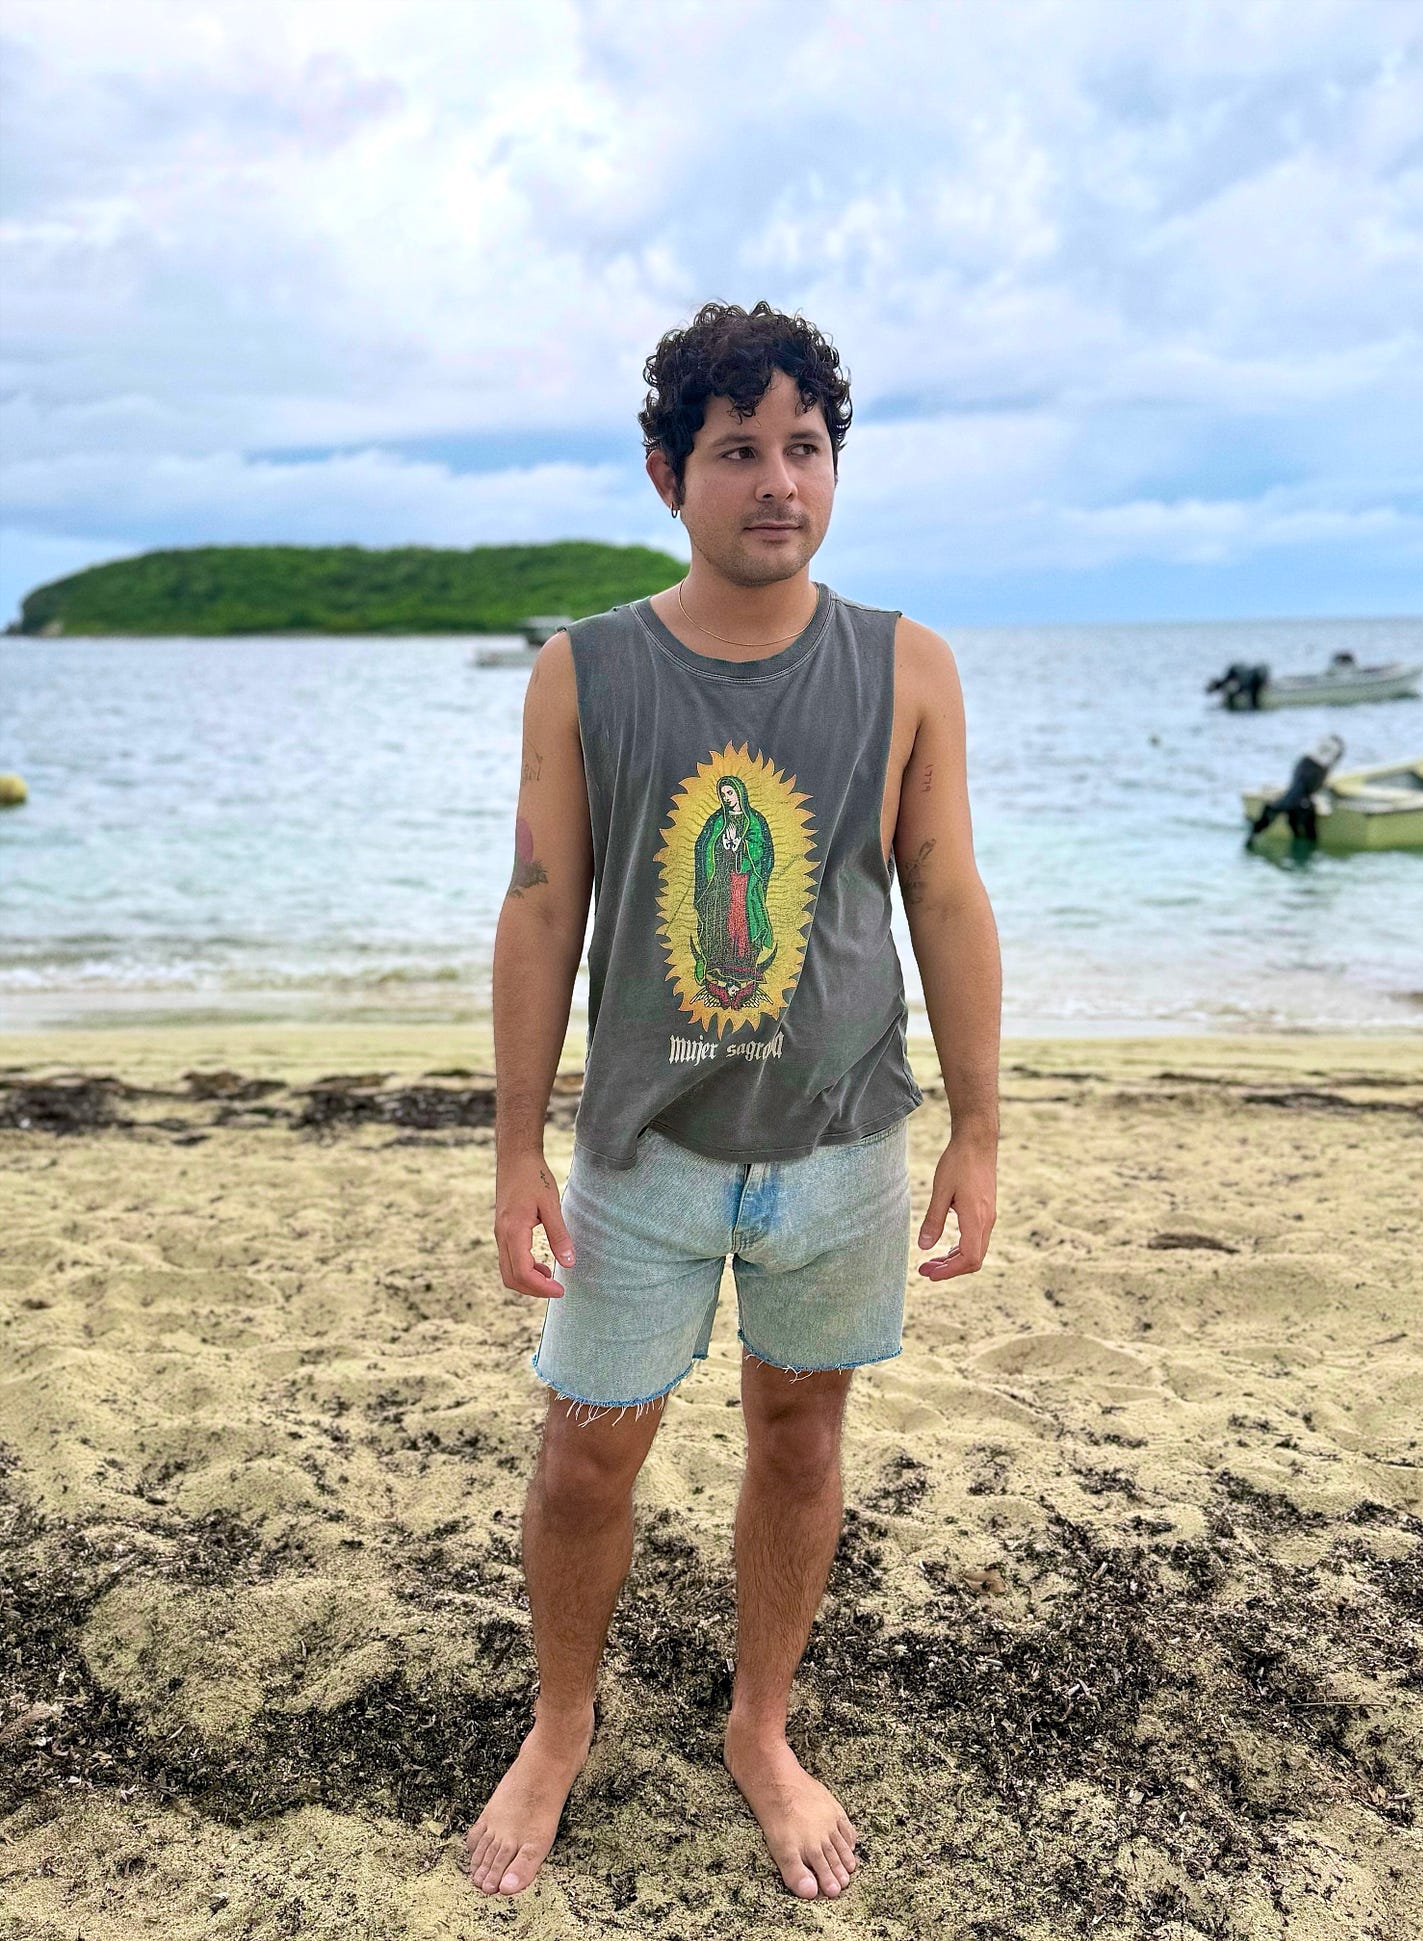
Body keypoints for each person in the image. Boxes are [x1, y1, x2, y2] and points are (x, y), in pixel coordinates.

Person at [469, 300, 1001, 1902]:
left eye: (806, 448)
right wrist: (513, 1149)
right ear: (667, 473)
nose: (778, 481)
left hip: (842, 1142)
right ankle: (562, 1719)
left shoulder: (906, 664)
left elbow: (944, 892)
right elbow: (540, 904)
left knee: (800, 1434)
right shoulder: (585, 670)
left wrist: (979, 1124)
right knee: (585, 1458)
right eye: (738, 450)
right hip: (642, 1151)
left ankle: (758, 1723)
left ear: (837, 464)